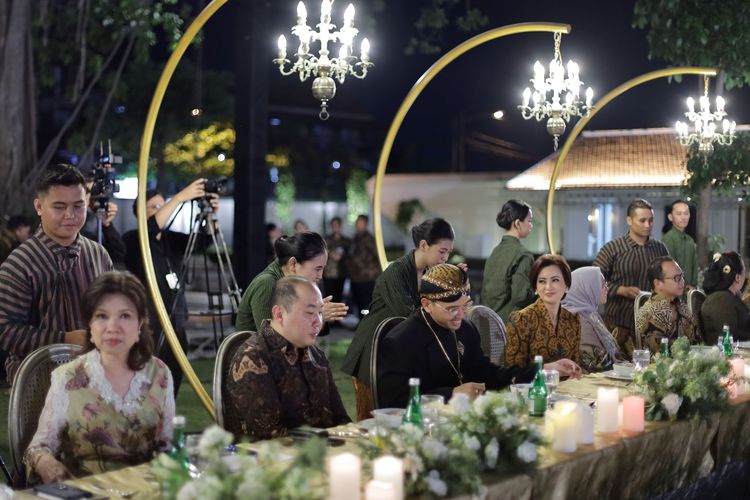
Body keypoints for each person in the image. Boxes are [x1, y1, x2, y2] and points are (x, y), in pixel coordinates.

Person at [23, 271, 174, 483]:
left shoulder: (161, 374)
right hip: (86, 493)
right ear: (90, 327)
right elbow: (38, 448)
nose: (113, 327)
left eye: (125, 316)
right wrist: (44, 462)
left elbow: (168, 448)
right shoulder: (66, 378)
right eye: (102, 316)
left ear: (140, 325)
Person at [377, 264, 581, 407]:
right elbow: (395, 402)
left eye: (464, 307)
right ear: (427, 304)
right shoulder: (400, 341)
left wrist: (542, 370)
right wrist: (451, 394)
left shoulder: (466, 329)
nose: (460, 316)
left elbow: (489, 375)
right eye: (451, 309)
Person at [342, 217, 465, 421]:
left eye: (448, 253)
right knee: (373, 419)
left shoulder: (429, 274)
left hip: (397, 353)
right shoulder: (396, 272)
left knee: (402, 418)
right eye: (442, 251)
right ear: (424, 245)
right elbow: (412, 316)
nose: (445, 258)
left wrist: (453, 280)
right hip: (373, 352)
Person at [0, 164, 113, 384]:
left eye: (78, 206)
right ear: (39, 206)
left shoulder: (98, 254)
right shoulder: (20, 263)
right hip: (39, 383)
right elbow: (5, 330)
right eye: (59, 207)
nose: (70, 215)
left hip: (96, 375)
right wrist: (64, 339)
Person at [225, 276, 350, 440]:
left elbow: (340, 421)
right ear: (279, 314)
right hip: (272, 460)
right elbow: (271, 438)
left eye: (320, 313)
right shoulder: (254, 358)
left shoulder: (315, 355)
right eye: (310, 313)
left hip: (321, 453)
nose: (317, 322)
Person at [122, 179, 212, 394]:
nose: (160, 211)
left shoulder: (170, 239)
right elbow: (151, 227)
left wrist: (210, 214)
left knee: (172, 383)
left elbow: (204, 241)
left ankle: (167, 421)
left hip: (176, 320)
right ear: (139, 213)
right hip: (149, 324)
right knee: (147, 384)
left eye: (163, 206)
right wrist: (180, 197)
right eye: (154, 207)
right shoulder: (134, 240)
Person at [593, 199, 669, 357]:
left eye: (651, 220)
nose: (647, 225)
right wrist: (620, 289)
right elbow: (593, 280)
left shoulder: (660, 249)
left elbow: (668, 278)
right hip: (620, 325)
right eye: (642, 220)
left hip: (653, 326)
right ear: (629, 220)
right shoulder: (613, 248)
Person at [235, 231, 348, 333]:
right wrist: (317, 315)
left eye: (323, 269)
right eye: (317, 269)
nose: (320, 276)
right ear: (293, 264)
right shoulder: (267, 284)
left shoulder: (292, 284)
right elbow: (270, 338)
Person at [505, 254, 582, 367]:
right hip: (534, 384)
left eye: (555, 280)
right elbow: (513, 372)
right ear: (535, 288)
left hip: (567, 384)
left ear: (566, 285)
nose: (548, 287)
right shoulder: (521, 319)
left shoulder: (573, 320)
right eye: (542, 281)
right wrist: (547, 369)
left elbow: (575, 364)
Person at [481, 200, 535, 322]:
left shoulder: (495, 251)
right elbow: (520, 297)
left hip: (488, 323)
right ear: (517, 223)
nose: (531, 225)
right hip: (510, 326)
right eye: (529, 221)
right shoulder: (523, 254)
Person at [562, 267, 622, 372]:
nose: (606, 288)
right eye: (602, 285)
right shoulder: (578, 319)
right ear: (587, 288)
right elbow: (594, 363)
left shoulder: (590, 314)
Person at [636, 256, 700, 354]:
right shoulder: (651, 312)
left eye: (682, 276)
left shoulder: (681, 305)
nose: (682, 281)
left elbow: (697, 343)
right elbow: (662, 357)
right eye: (677, 278)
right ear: (658, 283)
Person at [700, 251, 750, 344]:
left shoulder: (726, 297)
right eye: (744, 270)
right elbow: (730, 335)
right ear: (737, 277)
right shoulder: (720, 300)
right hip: (727, 355)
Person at [80, 175, 127, 267]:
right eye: (88, 191)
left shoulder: (93, 237)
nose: (93, 196)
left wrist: (107, 225)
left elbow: (118, 255)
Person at [347, 214, 381, 317]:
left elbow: (377, 256)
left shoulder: (369, 239)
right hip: (355, 277)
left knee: (366, 303)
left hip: (366, 277)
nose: (358, 225)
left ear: (365, 224)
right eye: (357, 222)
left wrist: (372, 271)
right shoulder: (355, 238)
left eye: (360, 222)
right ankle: (361, 323)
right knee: (358, 302)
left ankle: (366, 325)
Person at [661, 200, 698, 288]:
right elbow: (670, 270)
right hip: (674, 291)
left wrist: (693, 286)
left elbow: (695, 267)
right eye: (679, 214)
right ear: (670, 217)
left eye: (686, 213)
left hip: (689, 292)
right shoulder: (668, 239)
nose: (683, 217)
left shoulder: (690, 240)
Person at [323, 216, 350, 304]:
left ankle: (338, 317)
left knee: (339, 297)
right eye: (333, 225)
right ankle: (330, 317)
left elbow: (348, 255)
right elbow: (322, 252)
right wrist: (331, 254)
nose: (335, 227)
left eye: (337, 225)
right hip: (328, 274)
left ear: (340, 226)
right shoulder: (326, 239)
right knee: (329, 297)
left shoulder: (346, 240)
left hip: (341, 273)